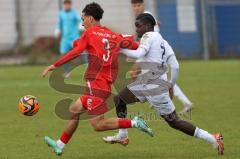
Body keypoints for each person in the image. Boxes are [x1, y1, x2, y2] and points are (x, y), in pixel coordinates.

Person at [103, 13, 224, 155]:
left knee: (175, 122)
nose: (136, 30)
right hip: (147, 84)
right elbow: (176, 66)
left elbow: (138, 53)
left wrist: (118, 49)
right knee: (119, 99)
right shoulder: (162, 41)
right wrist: (170, 85)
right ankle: (123, 135)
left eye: (138, 26)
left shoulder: (148, 36)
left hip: (154, 88)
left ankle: (212, 138)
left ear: (148, 26)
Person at [42, 2, 153, 156]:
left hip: (97, 85)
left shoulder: (90, 33)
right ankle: (60, 144)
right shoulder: (112, 34)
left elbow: (76, 51)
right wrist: (152, 43)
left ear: (91, 19)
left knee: (97, 124)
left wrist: (55, 65)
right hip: (99, 84)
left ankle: (135, 122)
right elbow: (134, 46)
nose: (82, 22)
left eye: (83, 18)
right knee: (74, 110)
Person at [130, 0, 193, 114]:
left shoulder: (147, 16)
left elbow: (154, 35)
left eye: (138, 5)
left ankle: (182, 102)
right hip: (149, 52)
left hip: (156, 52)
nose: (136, 8)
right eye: (134, 6)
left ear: (143, 5)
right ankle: (155, 98)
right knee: (144, 75)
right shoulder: (142, 18)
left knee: (139, 74)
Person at [55, 0, 87, 78]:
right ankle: (67, 72)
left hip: (74, 37)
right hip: (65, 38)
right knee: (64, 55)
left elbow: (80, 20)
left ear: (70, 5)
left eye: (68, 4)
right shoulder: (61, 14)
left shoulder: (74, 13)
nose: (67, 6)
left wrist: (81, 24)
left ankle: (88, 68)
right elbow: (59, 23)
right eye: (65, 4)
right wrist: (57, 29)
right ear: (64, 5)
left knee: (81, 52)